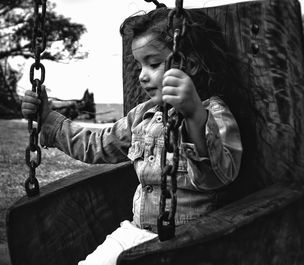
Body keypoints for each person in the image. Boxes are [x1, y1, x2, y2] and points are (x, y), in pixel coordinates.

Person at [22, 7, 242, 265]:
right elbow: (98, 145)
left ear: (189, 64)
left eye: (154, 63)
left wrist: (193, 114)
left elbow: (218, 175)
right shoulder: (142, 116)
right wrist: (49, 121)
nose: (142, 76)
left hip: (189, 241)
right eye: (139, 64)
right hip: (136, 232)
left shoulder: (213, 113)